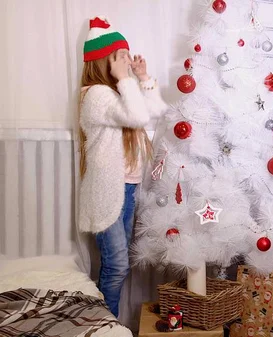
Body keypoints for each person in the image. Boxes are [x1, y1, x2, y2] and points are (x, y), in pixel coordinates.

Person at [77, 16, 168, 317]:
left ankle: (105, 323)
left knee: (117, 263)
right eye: (121, 57)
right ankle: (105, 324)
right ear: (104, 61)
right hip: (108, 193)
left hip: (127, 188)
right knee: (117, 265)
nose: (127, 62)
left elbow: (156, 111)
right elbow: (137, 116)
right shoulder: (95, 95)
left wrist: (143, 78)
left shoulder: (119, 93)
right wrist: (127, 81)